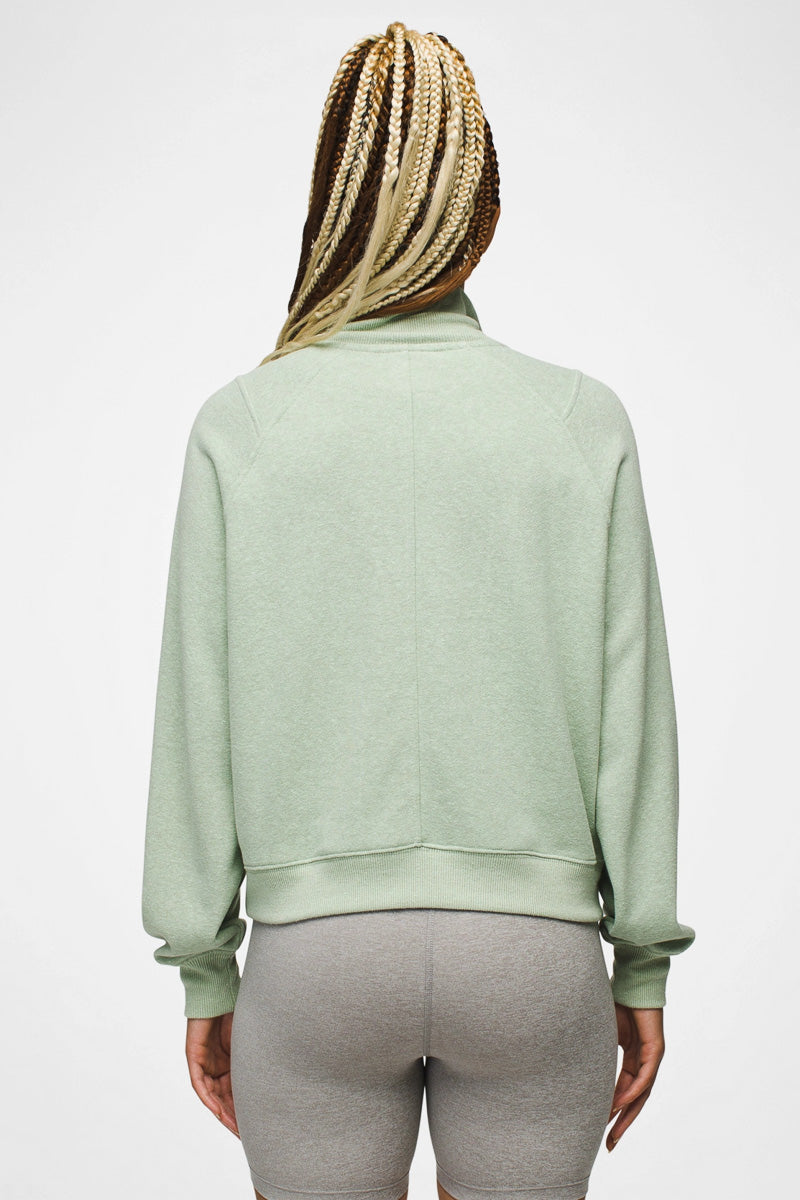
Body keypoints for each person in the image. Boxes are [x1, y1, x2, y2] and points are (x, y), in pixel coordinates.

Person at [141, 21, 696, 1200]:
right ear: (483, 215)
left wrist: (204, 966)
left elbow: (197, 715)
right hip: (532, 959)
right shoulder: (577, 422)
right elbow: (632, 712)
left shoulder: (244, 424)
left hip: (315, 963)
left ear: (329, 207)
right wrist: (641, 960)